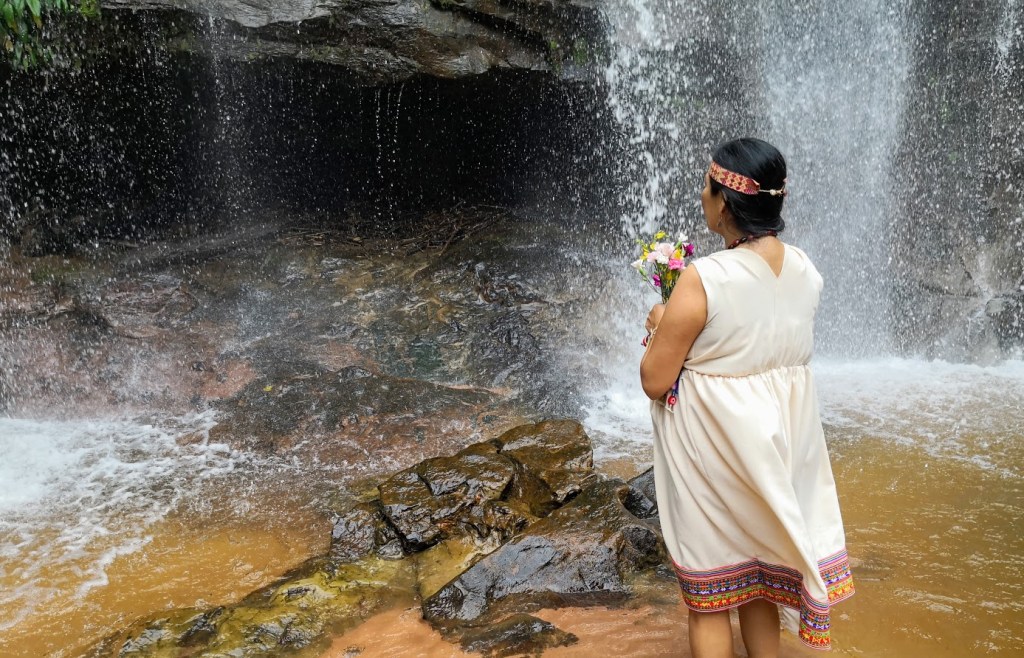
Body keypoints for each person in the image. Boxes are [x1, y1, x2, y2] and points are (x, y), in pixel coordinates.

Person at [639, 137, 854, 657]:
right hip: (776, 450)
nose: (701, 194)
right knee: (759, 579)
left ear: (726, 203)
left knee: (711, 595)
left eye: (707, 186)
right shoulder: (805, 269)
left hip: (715, 454)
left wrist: (661, 320)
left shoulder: (705, 278)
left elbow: (655, 379)